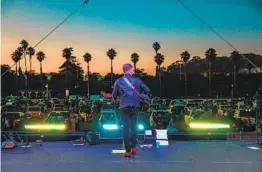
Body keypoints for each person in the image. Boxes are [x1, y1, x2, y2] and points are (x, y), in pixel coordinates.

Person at [112, 63, 150, 157]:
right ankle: (133, 147)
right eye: (132, 69)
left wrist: (119, 98)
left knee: (126, 128)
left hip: (124, 107)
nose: (133, 71)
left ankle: (128, 151)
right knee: (134, 127)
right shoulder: (137, 80)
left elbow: (114, 95)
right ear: (129, 70)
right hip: (135, 107)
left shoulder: (118, 81)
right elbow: (148, 90)